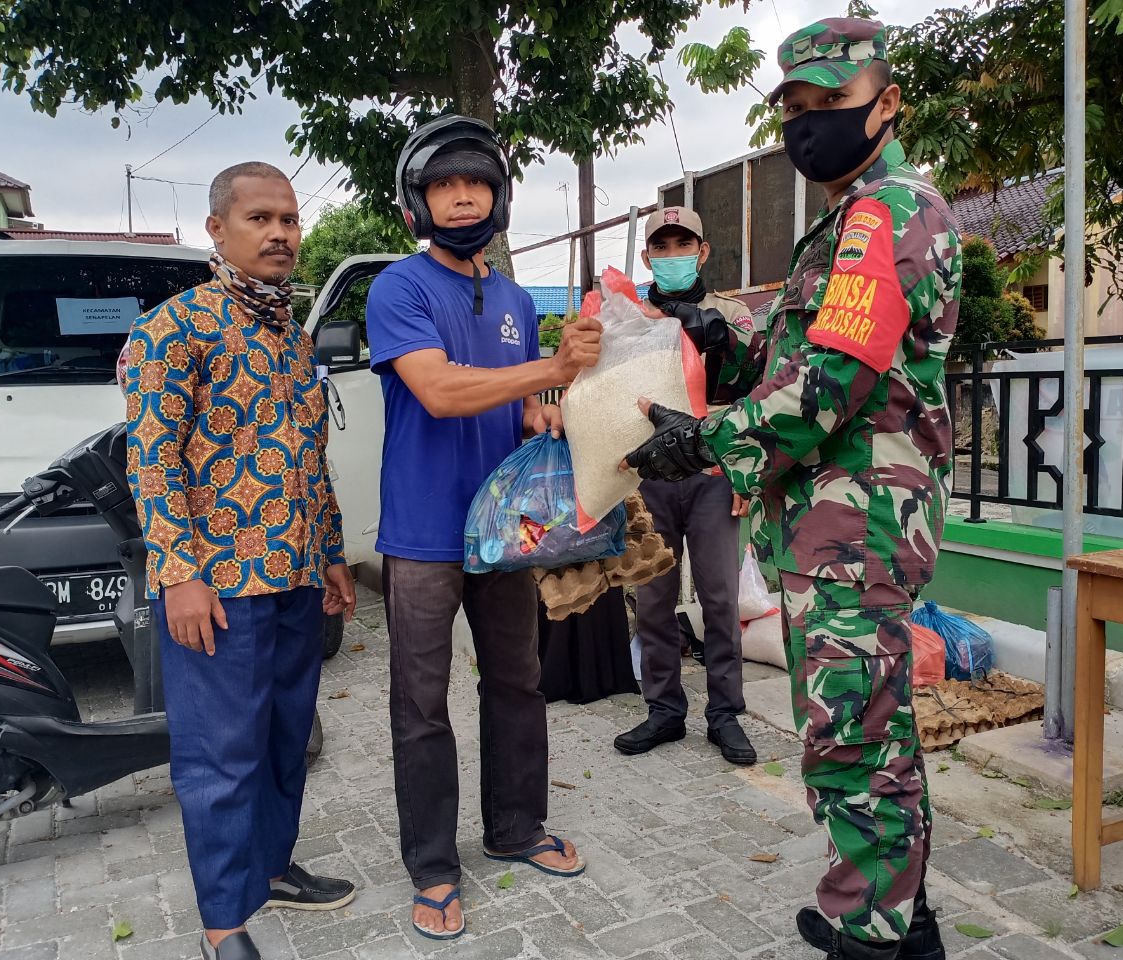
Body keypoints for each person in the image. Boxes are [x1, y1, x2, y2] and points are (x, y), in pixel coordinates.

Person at [624, 18, 961, 960]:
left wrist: (706, 445)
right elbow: (803, 352)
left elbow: (832, 385)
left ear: (886, 104)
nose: (809, 129)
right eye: (798, 111)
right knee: (867, 724)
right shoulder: (854, 215)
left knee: (852, 734)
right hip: (839, 520)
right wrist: (724, 339)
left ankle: (875, 939)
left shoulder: (887, 213)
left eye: (831, 107)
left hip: (857, 520)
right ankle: (898, 910)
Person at [365, 114, 599, 942]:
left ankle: (517, 828)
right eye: (443, 185)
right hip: (425, 535)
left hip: (506, 534)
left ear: (498, 198)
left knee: (517, 682)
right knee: (422, 706)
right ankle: (432, 867)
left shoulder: (510, 297)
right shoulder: (397, 288)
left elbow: (519, 400)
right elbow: (438, 390)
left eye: (477, 184)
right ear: (415, 204)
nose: (462, 198)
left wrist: (549, 410)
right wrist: (553, 368)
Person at [124, 162, 360, 960]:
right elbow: (151, 463)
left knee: (285, 738)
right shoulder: (172, 330)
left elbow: (308, 458)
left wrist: (330, 554)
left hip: (294, 579)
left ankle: (271, 864)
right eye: (261, 218)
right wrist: (180, 574)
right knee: (220, 756)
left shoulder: (291, 339)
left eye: (290, 220)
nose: (281, 235)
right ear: (217, 230)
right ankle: (224, 922)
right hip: (217, 588)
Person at [613, 206, 758, 765]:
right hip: (651, 472)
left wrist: (749, 469)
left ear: (702, 251)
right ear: (648, 256)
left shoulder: (733, 312)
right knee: (652, 598)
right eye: (662, 245)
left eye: (684, 244)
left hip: (715, 470)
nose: (672, 254)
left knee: (720, 598)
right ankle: (665, 710)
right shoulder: (632, 317)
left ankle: (724, 713)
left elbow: (756, 387)